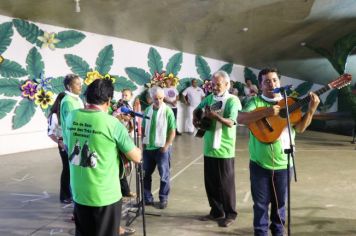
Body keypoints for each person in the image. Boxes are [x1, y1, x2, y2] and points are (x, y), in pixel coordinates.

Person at [237, 68, 320, 236]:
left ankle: (278, 233)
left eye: (274, 80)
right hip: (259, 165)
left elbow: (301, 128)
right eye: (267, 81)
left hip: (285, 164)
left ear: (279, 82)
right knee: (260, 205)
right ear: (260, 85)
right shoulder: (255, 101)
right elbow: (241, 119)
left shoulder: (290, 103)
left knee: (280, 204)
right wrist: (267, 111)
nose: (271, 84)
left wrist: (311, 110)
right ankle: (260, 233)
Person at [64, 78, 142, 236]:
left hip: (79, 192)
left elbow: (68, 145)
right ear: (108, 100)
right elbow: (136, 157)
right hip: (104, 196)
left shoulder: (71, 117)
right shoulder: (112, 123)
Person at [193, 70, 240, 228]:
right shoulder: (209, 98)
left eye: (217, 84)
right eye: (212, 84)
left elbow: (231, 122)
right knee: (211, 183)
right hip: (209, 146)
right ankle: (216, 211)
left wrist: (216, 117)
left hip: (225, 149)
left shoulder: (233, 101)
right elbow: (197, 109)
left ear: (227, 84)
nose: (214, 87)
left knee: (226, 184)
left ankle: (230, 213)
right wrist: (196, 119)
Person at [142, 86, 176, 209]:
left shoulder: (168, 111)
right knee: (145, 174)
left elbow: (172, 131)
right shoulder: (147, 111)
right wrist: (143, 144)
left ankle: (163, 198)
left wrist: (166, 146)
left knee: (164, 175)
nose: (159, 101)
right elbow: (143, 128)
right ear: (151, 98)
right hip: (148, 149)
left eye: (161, 98)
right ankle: (147, 198)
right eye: (156, 99)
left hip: (162, 149)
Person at [47, 92, 72, 204]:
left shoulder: (68, 113)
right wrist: (59, 142)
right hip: (63, 144)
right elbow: (50, 133)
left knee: (72, 170)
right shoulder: (54, 115)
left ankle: (72, 194)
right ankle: (65, 195)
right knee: (67, 169)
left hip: (71, 143)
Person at [60, 74, 84, 150]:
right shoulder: (68, 101)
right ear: (69, 87)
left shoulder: (77, 98)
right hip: (73, 141)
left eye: (80, 84)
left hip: (79, 138)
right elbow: (72, 124)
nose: (80, 86)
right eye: (77, 84)